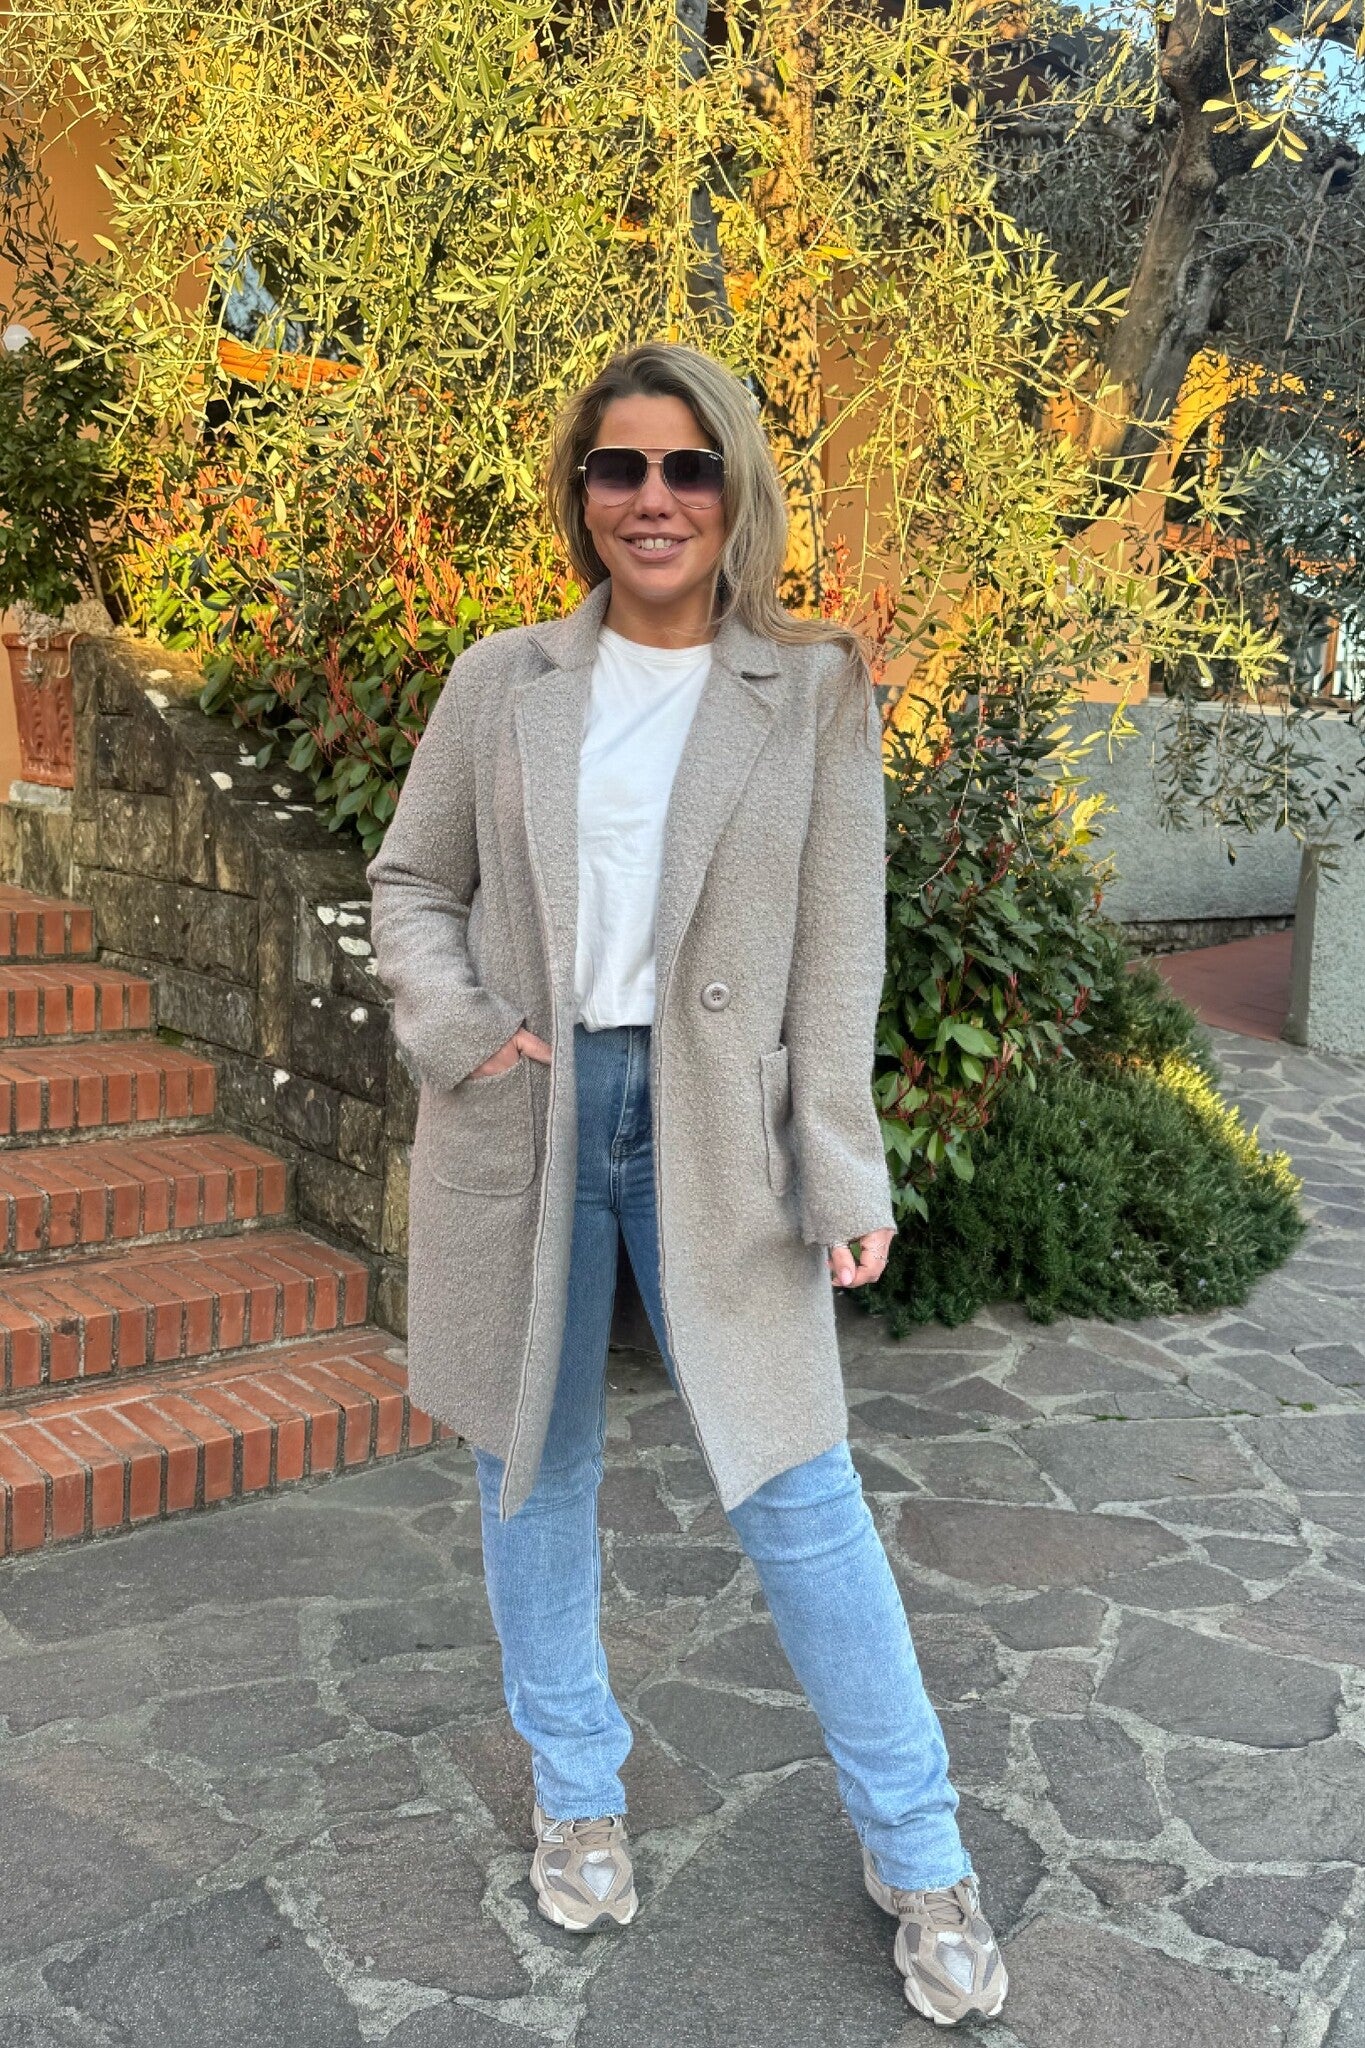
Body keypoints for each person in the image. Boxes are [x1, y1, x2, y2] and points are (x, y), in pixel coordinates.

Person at [366, 341, 1006, 2027]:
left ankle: (919, 1850)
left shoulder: (813, 688)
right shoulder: (500, 680)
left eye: (687, 466)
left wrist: (841, 1166)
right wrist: (465, 1030)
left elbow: (839, 956)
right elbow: (412, 883)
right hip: (530, 1111)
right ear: (580, 492)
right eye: (619, 466)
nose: (652, 498)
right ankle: (576, 1793)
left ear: (734, 489)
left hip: (719, 1121)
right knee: (533, 1468)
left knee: (799, 1486)